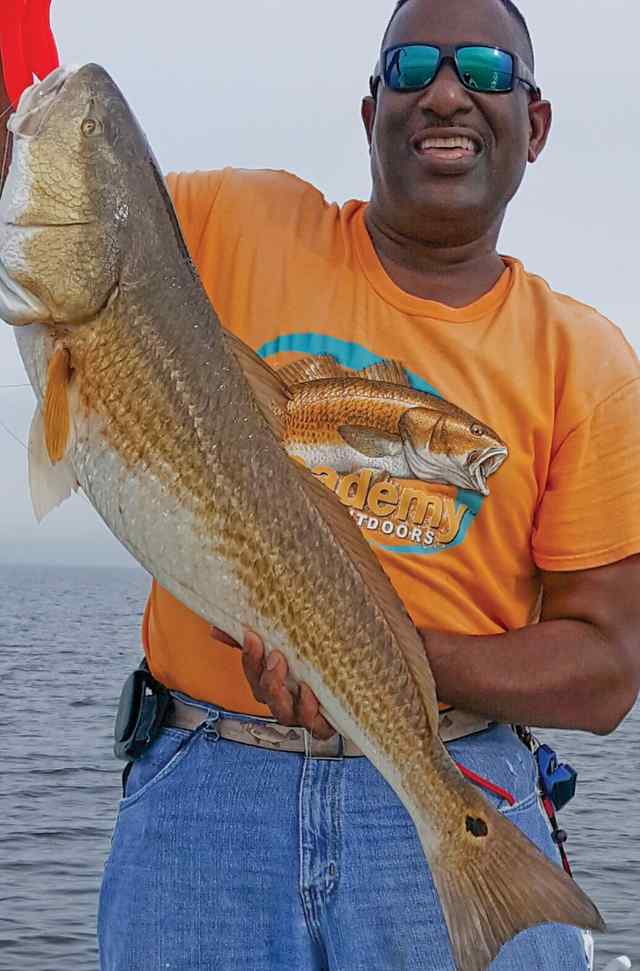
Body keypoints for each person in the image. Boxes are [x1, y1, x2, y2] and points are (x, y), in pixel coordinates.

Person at [2, 1, 639, 968]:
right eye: (413, 64)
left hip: (455, 782)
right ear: (370, 111)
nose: (447, 90)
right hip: (205, 794)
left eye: (487, 70)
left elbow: (606, 671)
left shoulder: (585, 359)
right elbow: (64, 196)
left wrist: (367, 663)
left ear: (535, 124)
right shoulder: (232, 219)